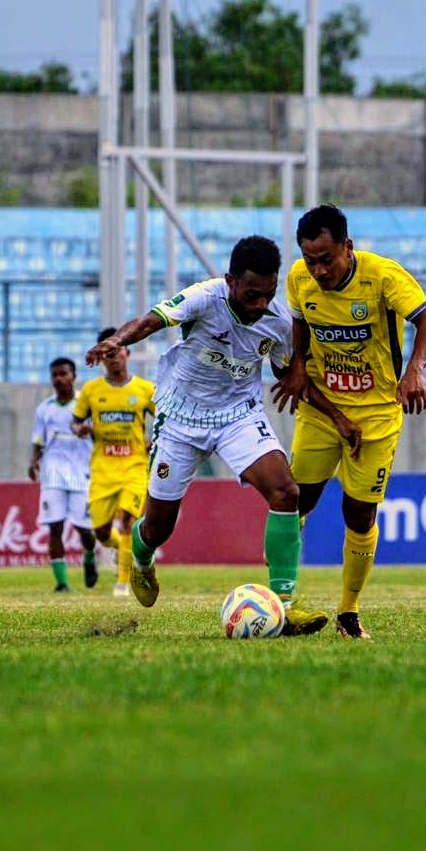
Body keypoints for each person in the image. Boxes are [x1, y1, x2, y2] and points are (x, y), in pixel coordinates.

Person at [85, 235, 331, 635]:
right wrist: (117, 340)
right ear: (231, 281)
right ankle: (142, 560)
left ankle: (284, 605)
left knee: (286, 492)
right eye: (251, 294)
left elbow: (286, 368)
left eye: (268, 294)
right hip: (180, 417)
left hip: (238, 415)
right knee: (158, 527)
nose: (260, 304)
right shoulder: (204, 297)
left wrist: (299, 377)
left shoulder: (278, 321)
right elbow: (152, 319)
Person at [272, 205, 426, 641]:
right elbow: (299, 322)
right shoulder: (298, 278)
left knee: (359, 512)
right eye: (310, 260)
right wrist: (297, 365)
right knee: (294, 501)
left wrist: (415, 369)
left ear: (348, 247)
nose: (318, 270)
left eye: (326, 259)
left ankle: (348, 610)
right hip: (322, 407)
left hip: (377, 412)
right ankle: (281, 600)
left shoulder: (382, 276)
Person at [72, 327, 155, 598]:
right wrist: (80, 429)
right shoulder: (91, 390)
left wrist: (156, 441)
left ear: (127, 352)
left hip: (134, 466)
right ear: (100, 358)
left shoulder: (145, 390)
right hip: (102, 469)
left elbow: (166, 418)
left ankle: (123, 582)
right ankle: (118, 547)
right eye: (107, 354)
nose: (113, 357)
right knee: (101, 532)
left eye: (116, 351)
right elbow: (75, 421)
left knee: (129, 521)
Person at [29, 357, 97, 593]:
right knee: (55, 527)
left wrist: (90, 431)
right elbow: (38, 439)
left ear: (74, 376)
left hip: (82, 471)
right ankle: (62, 583)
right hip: (53, 472)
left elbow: (100, 433)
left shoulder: (86, 404)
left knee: (84, 529)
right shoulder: (44, 408)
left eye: (63, 374)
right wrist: (33, 462)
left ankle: (89, 556)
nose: (58, 379)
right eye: (55, 375)